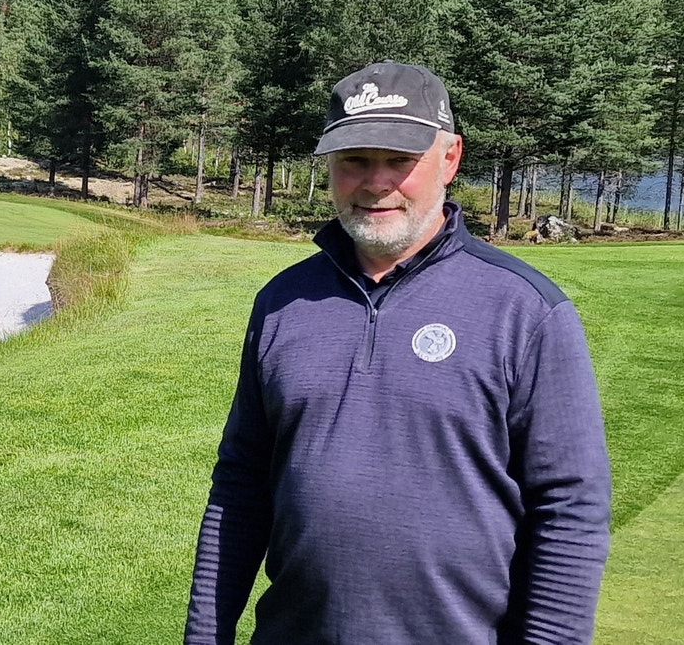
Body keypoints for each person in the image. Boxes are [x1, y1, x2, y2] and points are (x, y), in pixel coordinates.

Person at [184, 61, 612, 644]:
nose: (376, 182)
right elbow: (241, 483)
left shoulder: (525, 310)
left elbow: (570, 509)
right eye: (355, 161)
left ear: (450, 158)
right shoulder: (283, 302)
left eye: (399, 160)